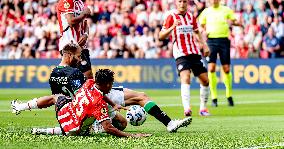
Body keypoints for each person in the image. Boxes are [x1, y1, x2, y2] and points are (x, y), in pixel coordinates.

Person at [11, 44, 192, 134]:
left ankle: (95, 125)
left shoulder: (53, 74)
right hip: (94, 101)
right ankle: (169, 123)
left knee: (122, 123)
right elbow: (88, 90)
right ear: (68, 55)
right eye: (77, 56)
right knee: (141, 97)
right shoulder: (75, 72)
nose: (79, 59)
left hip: (78, 110)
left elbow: (58, 98)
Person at [158, 0, 210, 117]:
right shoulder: (171, 16)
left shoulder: (191, 17)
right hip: (180, 53)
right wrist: (172, 27)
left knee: (205, 80)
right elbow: (161, 36)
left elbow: (197, 32)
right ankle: (187, 108)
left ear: (187, 3)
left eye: (184, 2)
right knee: (186, 77)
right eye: (180, 1)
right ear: (176, 3)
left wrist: (204, 45)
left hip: (194, 52)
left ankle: (203, 108)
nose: (182, 4)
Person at [198, 0, 241, 107]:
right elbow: (200, 24)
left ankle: (229, 95)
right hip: (211, 41)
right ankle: (214, 97)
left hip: (224, 41)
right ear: (209, 0)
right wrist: (203, 30)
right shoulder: (206, 11)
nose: (213, 1)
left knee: (226, 69)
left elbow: (236, 22)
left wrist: (233, 23)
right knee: (211, 68)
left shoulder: (226, 10)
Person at [56, 0, 93, 79]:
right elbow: (71, 21)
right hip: (69, 46)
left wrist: (85, 34)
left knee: (88, 77)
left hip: (81, 46)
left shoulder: (80, 3)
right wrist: (84, 13)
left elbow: (85, 24)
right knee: (78, 78)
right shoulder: (65, 2)